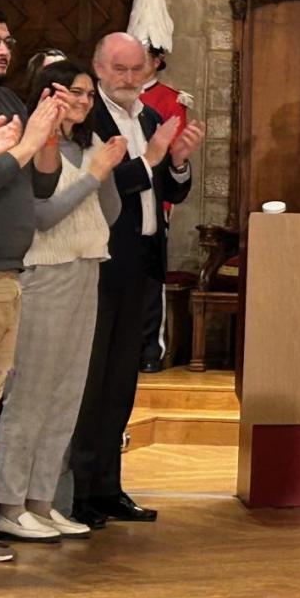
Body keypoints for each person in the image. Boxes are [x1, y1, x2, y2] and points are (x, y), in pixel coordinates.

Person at [0, 56, 126, 543]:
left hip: (87, 269)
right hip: (44, 273)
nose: (84, 102)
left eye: (90, 94)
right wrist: (93, 176)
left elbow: (107, 214)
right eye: (76, 92)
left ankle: (41, 502)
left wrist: (103, 172)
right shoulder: (34, 142)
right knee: (31, 394)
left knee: (67, 394)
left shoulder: (85, 146)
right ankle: (8, 503)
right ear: (51, 93)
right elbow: (43, 217)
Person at [69, 33, 203, 528]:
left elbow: (168, 191)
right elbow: (97, 187)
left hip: (144, 260)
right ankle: (79, 491)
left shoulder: (147, 115)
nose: (130, 79)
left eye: (137, 69)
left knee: (123, 381)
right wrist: (150, 160)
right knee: (93, 380)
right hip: (100, 260)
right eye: (120, 70)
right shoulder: (89, 119)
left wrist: (180, 161)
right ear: (99, 68)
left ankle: (108, 487)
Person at [0, 4, 66, 572]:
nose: (3, 51)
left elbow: (36, 181)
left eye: (7, 40)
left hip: (6, 269)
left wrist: (48, 133)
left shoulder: (5, 101)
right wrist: (16, 151)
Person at [127, 0, 191, 372]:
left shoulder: (169, 99)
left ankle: (150, 347)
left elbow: (174, 154)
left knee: (151, 279)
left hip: (153, 198)